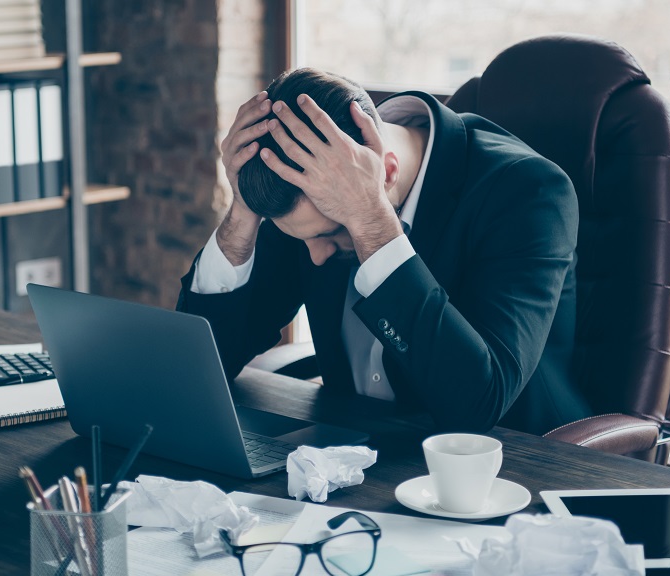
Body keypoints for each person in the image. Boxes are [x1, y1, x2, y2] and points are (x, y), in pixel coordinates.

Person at [177, 68, 592, 435]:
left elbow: (476, 406)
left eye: (333, 234)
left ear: (386, 173)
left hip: (511, 473)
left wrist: (371, 223)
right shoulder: (312, 194)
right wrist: (244, 212)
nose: (316, 256)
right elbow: (202, 370)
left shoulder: (529, 192)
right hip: (357, 458)